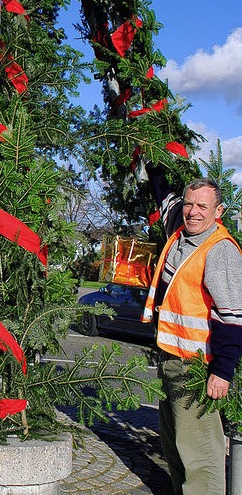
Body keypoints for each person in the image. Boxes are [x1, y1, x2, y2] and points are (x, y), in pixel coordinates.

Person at [142, 167, 242, 495]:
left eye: (203, 206)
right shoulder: (180, 229)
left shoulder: (220, 249)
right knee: (174, 444)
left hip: (196, 367)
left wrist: (222, 372)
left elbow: (232, 317)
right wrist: (146, 146)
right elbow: (164, 193)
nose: (193, 211)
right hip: (170, 358)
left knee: (199, 453)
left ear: (218, 212)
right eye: (189, 204)